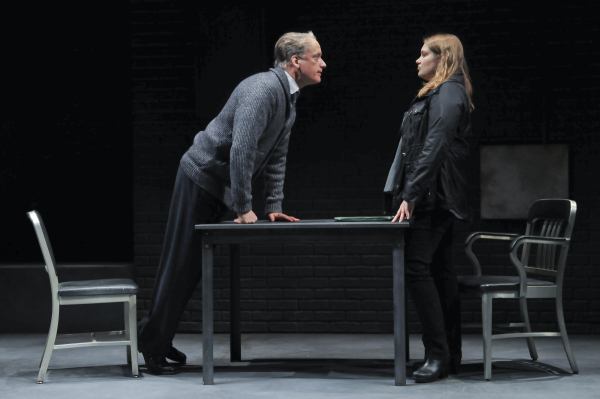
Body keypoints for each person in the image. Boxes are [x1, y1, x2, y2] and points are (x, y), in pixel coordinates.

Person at [137, 31, 327, 374]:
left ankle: (158, 338)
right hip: (200, 177)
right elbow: (241, 148)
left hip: (215, 187)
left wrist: (273, 205)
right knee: (180, 262)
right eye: (317, 57)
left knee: (192, 268)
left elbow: (276, 157)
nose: (323, 63)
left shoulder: (289, 100)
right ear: (295, 61)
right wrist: (243, 207)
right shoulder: (264, 89)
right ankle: (151, 344)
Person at [384, 33, 473, 383]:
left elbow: (434, 147)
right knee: (439, 271)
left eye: (424, 54)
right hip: (435, 195)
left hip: (433, 197)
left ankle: (437, 355)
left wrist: (411, 193)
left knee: (417, 269)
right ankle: (449, 355)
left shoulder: (448, 92)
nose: (417, 60)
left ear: (444, 58)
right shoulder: (443, 92)